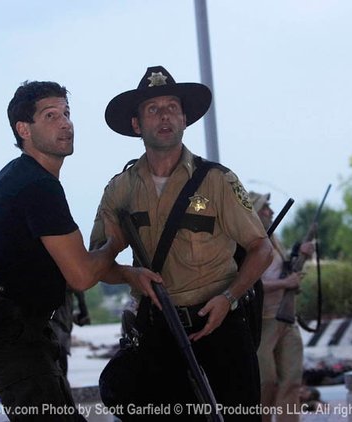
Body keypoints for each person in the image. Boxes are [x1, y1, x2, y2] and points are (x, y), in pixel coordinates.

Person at [0, 80, 160, 421]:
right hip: (12, 337)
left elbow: (75, 266)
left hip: (20, 333)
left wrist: (129, 274)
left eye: (67, 114)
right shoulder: (38, 186)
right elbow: (82, 276)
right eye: (51, 116)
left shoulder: (25, 176)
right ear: (24, 129)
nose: (65, 123)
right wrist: (116, 242)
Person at [90, 66, 273, 420]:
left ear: (185, 119)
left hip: (219, 322)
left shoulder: (217, 181)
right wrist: (128, 274)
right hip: (159, 327)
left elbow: (260, 248)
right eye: (153, 109)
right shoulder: (120, 189)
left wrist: (229, 298)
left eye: (172, 107)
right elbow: (99, 261)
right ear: (136, 124)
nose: (164, 116)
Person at [249, 192, 314, 422]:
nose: (270, 211)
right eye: (264, 208)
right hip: (263, 321)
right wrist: (285, 284)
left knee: (292, 382)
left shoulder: (274, 240)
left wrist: (301, 256)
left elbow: (285, 272)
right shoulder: (246, 243)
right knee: (265, 382)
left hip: (286, 318)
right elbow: (248, 284)